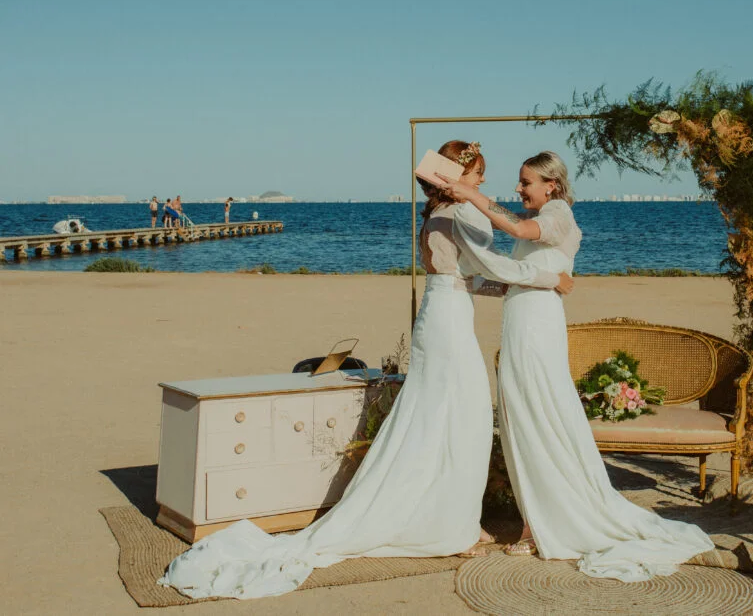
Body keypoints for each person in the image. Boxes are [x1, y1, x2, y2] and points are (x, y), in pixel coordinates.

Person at [158, 141, 573, 600]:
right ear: (456, 177)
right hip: (452, 321)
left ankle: (449, 516)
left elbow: (466, 275)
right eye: (477, 174)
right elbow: (493, 264)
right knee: (465, 422)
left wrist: (505, 283)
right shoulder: (464, 213)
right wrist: (552, 280)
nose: (483, 182)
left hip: (437, 314)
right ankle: (460, 528)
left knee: (433, 417)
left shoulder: (432, 216)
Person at [440, 151, 714, 582]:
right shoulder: (544, 212)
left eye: (525, 181)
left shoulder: (558, 213)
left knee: (540, 414)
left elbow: (518, 228)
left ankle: (543, 522)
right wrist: (464, 281)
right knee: (524, 417)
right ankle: (536, 515)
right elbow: (520, 272)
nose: (519, 189)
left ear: (551, 184)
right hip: (521, 318)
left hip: (537, 326)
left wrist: (473, 195)